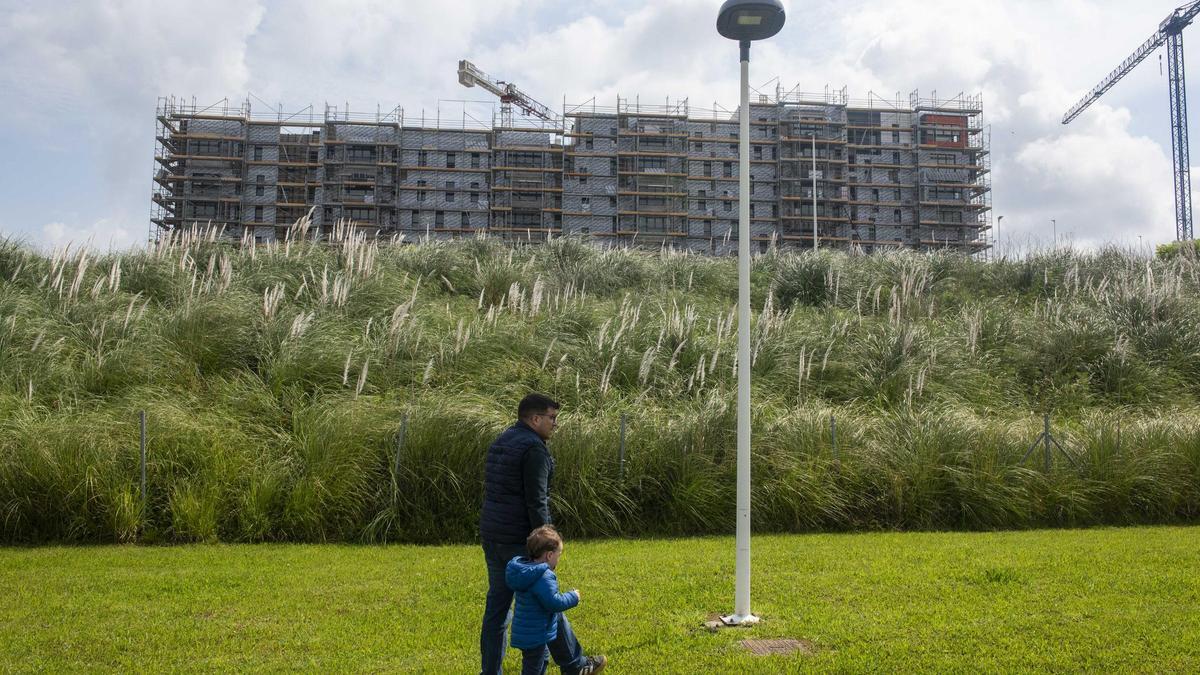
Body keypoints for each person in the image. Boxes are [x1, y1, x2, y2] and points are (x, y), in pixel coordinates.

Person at [480, 393, 590, 674]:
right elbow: (536, 500)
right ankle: (575, 665)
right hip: (522, 540)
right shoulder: (534, 449)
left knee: (497, 609)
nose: (555, 424)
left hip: (493, 537)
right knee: (546, 602)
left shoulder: (502, 440)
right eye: (552, 418)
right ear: (535, 418)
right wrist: (547, 542)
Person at [506, 526, 605, 675]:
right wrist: (573, 597)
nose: (559, 558)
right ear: (549, 555)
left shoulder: (524, 571)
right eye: (559, 554)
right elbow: (554, 603)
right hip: (536, 634)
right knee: (533, 668)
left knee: (540, 661)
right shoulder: (543, 576)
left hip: (527, 633)